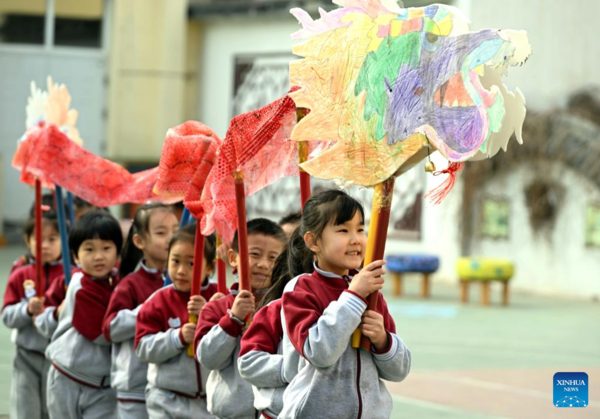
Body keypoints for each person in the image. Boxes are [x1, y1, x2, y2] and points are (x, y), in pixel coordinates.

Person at [279, 190, 411, 419]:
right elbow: (319, 352)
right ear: (313, 241)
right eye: (343, 230)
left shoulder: (373, 294)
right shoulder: (301, 288)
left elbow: (399, 371)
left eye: (360, 229)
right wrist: (353, 297)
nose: (356, 239)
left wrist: (383, 340)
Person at [195, 219, 286, 419]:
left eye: (273, 257)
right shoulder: (217, 307)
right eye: (255, 254)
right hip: (231, 414)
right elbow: (207, 359)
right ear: (233, 257)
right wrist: (232, 320)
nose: (264, 264)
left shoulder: (285, 308)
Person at [102, 203, 179, 418]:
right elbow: (110, 328)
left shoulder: (185, 284)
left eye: (176, 232)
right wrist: (151, 308)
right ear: (139, 241)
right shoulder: (130, 284)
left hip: (170, 386)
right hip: (135, 386)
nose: (171, 238)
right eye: (161, 232)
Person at [45, 210, 123, 419]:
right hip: (68, 376)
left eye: (106, 248)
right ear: (75, 256)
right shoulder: (80, 286)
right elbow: (102, 335)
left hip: (102, 384)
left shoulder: (118, 281)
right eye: (89, 249)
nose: (98, 256)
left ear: (118, 252)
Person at [135, 224, 217, 418]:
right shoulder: (158, 300)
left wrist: (209, 314)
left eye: (191, 264)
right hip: (166, 398)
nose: (181, 271)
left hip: (208, 402)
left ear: (209, 267)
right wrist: (177, 337)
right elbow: (142, 348)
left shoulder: (218, 296)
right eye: (175, 261)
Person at [1, 209, 64, 419]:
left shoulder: (70, 275)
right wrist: (26, 310)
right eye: (38, 239)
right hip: (27, 356)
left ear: (64, 240)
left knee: (53, 410)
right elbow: (7, 315)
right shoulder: (21, 274)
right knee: (25, 409)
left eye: (52, 239)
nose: (44, 244)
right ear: (28, 241)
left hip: (58, 358)